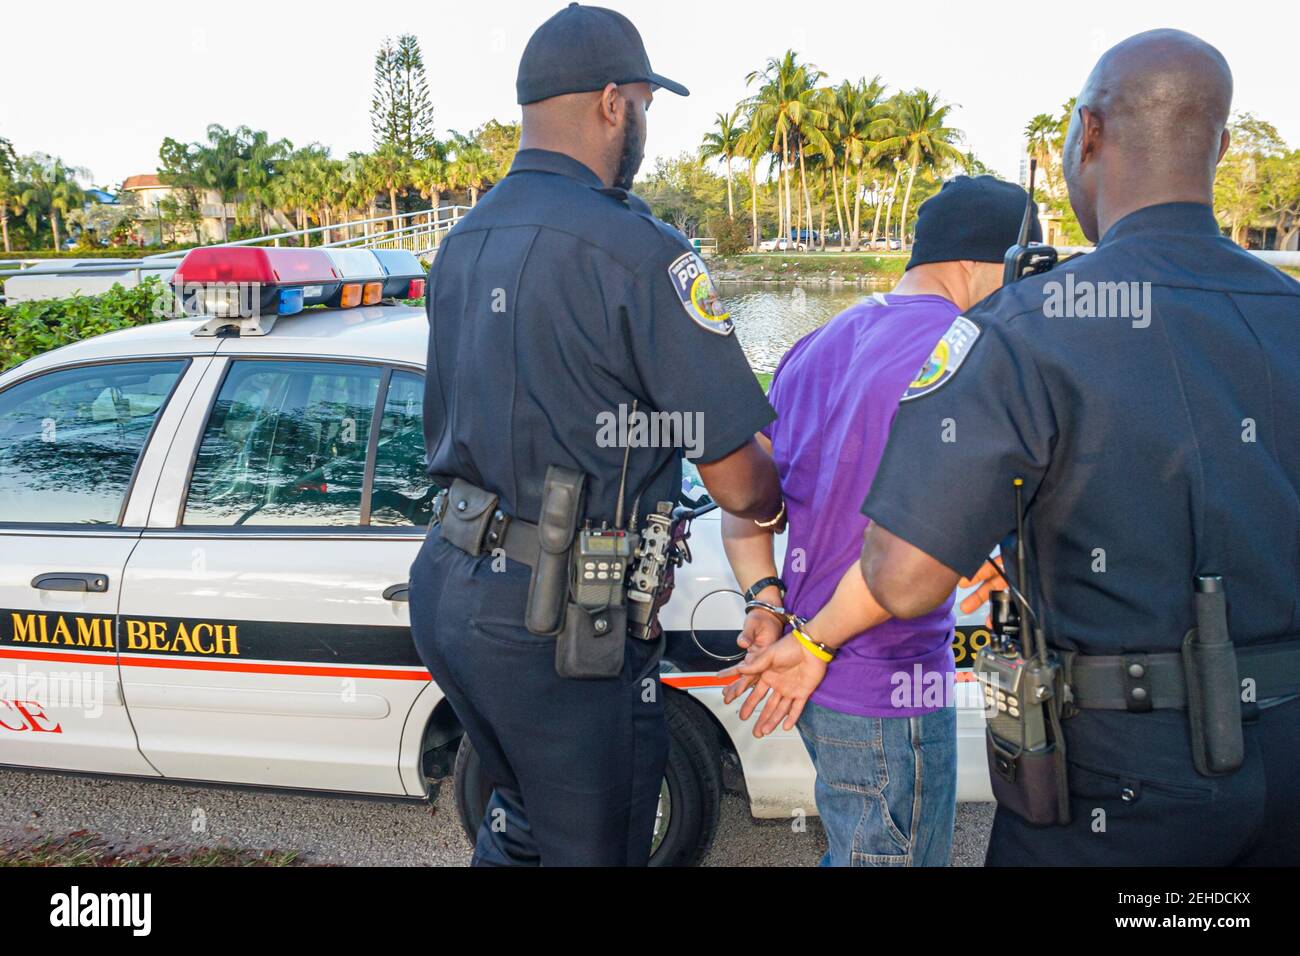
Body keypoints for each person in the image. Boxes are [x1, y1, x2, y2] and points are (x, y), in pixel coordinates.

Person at [860, 29, 1300, 865]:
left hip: (1121, 786)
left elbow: (903, 578)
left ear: (1088, 134)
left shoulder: (1029, 327)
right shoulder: (1290, 311)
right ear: (1223, 144)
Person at [409, 3, 783, 867]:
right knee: (598, 847)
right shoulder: (638, 251)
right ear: (615, 102)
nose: (645, 125)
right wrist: (783, 490)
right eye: (648, 104)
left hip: (453, 591)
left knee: (518, 825)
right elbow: (738, 482)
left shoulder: (463, 242)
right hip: (562, 627)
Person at [718, 176, 1034, 866]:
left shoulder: (817, 345)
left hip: (814, 667)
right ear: (983, 264)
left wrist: (763, 600)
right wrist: (817, 646)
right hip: (883, 676)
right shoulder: (970, 351)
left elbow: (745, 506)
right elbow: (919, 549)